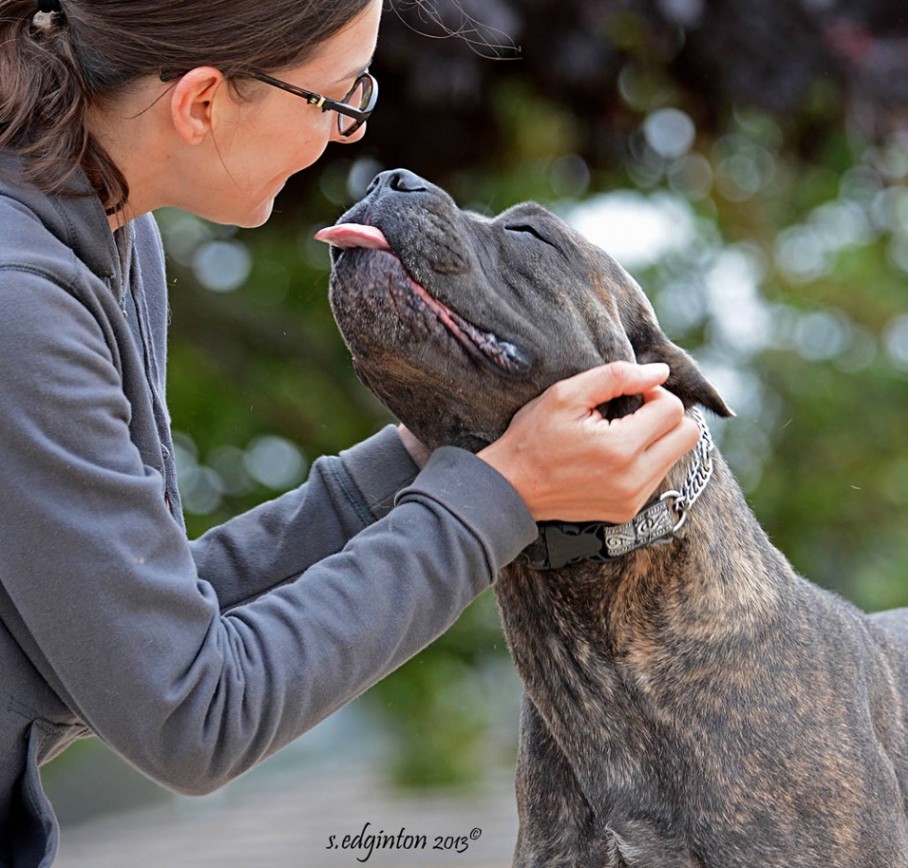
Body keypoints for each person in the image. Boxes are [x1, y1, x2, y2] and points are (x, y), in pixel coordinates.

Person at [0, 0, 700, 863]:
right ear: (202, 103)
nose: (346, 134)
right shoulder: (22, 303)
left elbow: (133, 629)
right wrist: (499, 498)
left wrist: (440, 454)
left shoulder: (111, 233)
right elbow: (192, 713)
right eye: (337, 97)